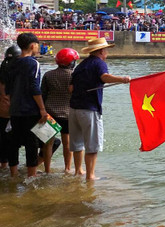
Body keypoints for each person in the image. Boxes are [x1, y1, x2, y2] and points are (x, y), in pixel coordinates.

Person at [69, 37, 130, 181]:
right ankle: (90, 176)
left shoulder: (80, 65)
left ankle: (78, 171)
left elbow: (70, 88)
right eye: (106, 50)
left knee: (77, 143)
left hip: (73, 109)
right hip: (89, 109)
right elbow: (105, 77)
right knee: (92, 145)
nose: (107, 53)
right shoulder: (99, 63)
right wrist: (122, 79)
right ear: (101, 51)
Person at [7, 32, 47, 178]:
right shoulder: (33, 63)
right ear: (32, 45)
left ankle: (13, 174)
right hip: (30, 110)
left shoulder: (12, 63)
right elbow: (34, 87)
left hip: (15, 109)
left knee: (14, 142)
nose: (38, 47)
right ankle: (31, 176)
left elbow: (8, 88)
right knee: (32, 143)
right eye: (37, 45)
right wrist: (42, 109)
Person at [42, 48, 79, 173]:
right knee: (67, 143)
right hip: (68, 114)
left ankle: (47, 169)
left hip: (50, 114)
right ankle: (67, 168)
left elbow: (43, 94)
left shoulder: (48, 75)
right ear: (71, 63)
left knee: (48, 144)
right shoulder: (74, 76)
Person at [0, 45, 20, 169]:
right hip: (17, 109)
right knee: (17, 140)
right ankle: (18, 168)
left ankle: (3, 165)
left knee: (4, 140)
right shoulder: (19, 71)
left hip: (3, 110)